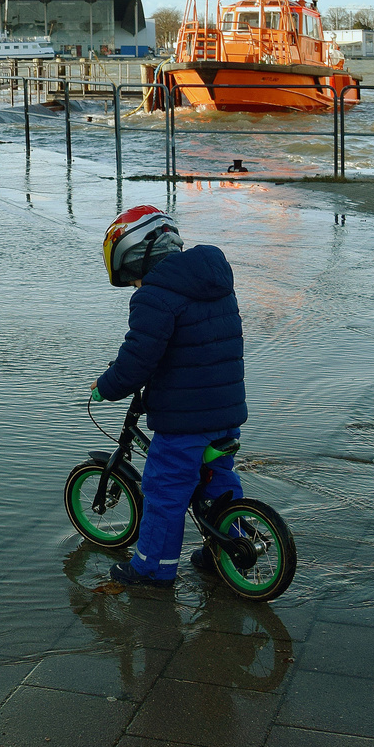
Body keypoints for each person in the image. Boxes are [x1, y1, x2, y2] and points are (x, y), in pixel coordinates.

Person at [91, 205, 247, 587]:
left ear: (136, 262)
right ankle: (228, 547)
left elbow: (138, 360)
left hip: (184, 419)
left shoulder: (155, 297)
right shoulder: (213, 280)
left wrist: (107, 386)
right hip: (225, 408)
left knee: (164, 491)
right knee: (217, 480)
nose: (133, 285)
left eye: (130, 277)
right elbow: (192, 345)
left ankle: (151, 569)